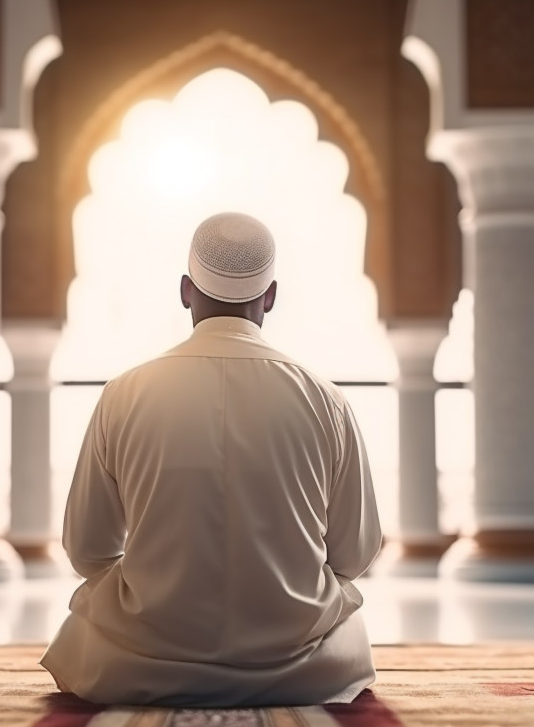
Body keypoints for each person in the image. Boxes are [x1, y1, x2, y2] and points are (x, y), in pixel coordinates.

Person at [40, 212, 382, 707]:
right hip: (300, 666)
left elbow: (86, 551)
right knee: (344, 608)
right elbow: (355, 554)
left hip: (142, 658)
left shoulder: (124, 393)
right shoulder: (325, 399)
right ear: (270, 296)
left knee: (91, 613)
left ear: (185, 290)